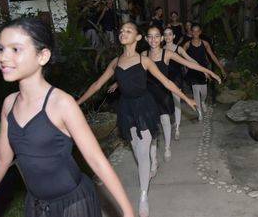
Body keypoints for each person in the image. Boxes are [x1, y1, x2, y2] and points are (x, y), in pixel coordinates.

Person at [0, 17, 134, 217]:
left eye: (15, 49)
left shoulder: (62, 104)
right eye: (1, 48)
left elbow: (96, 159)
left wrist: (127, 211)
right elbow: (1, 159)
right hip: (36, 205)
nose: (3, 57)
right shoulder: (9, 104)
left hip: (74, 204)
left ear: (42, 56)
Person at [77, 22, 196, 217]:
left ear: (138, 37)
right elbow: (98, 84)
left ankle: (143, 196)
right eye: (121, 30)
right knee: (138, 150)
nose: (123, 33)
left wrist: (186, 99)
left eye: (128, 31)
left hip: (145, 107)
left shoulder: (144, 61)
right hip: (126, 109)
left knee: (142, 153)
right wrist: (77, 103)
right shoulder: (115, 62)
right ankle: (152, 159)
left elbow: (166, 82)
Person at [142, 26, 221, 169]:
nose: (153, 39)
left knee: (165, 120)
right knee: (150, 127)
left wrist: (209, 72)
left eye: (156, 36)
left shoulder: (167, 54)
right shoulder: (143, 54)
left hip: (164, 92)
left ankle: (167, 147)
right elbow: (132, 69)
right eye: (150, 36)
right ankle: (153, 159)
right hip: (148, 95)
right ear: (147, 39)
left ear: (160, 39)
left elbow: (189, 63)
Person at [183, 23, 226, 120]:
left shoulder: (205, 43)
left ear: (200, 32)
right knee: (195, 90)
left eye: (197, 31)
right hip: (193, 70)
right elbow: (181, 55)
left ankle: (202, 101)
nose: (195, 33)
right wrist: (185, 66)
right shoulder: (187, 44)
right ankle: (199, 112)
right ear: (191, 32)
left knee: (204, 93)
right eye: (193, 31)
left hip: (203, 70)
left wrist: (221, 68)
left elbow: (212, 56)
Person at [163, 27, 198, 140]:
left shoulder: (178, 49)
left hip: (176, 79)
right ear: (163, 37)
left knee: (176, 102)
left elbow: (189, 59)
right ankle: (169, 124)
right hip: (164, 79)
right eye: (165, 34)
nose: (168, 37)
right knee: (166, 104)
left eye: (170, 34)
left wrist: (200, 66)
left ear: (173, 36)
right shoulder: (160, 49)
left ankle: (177, 128)